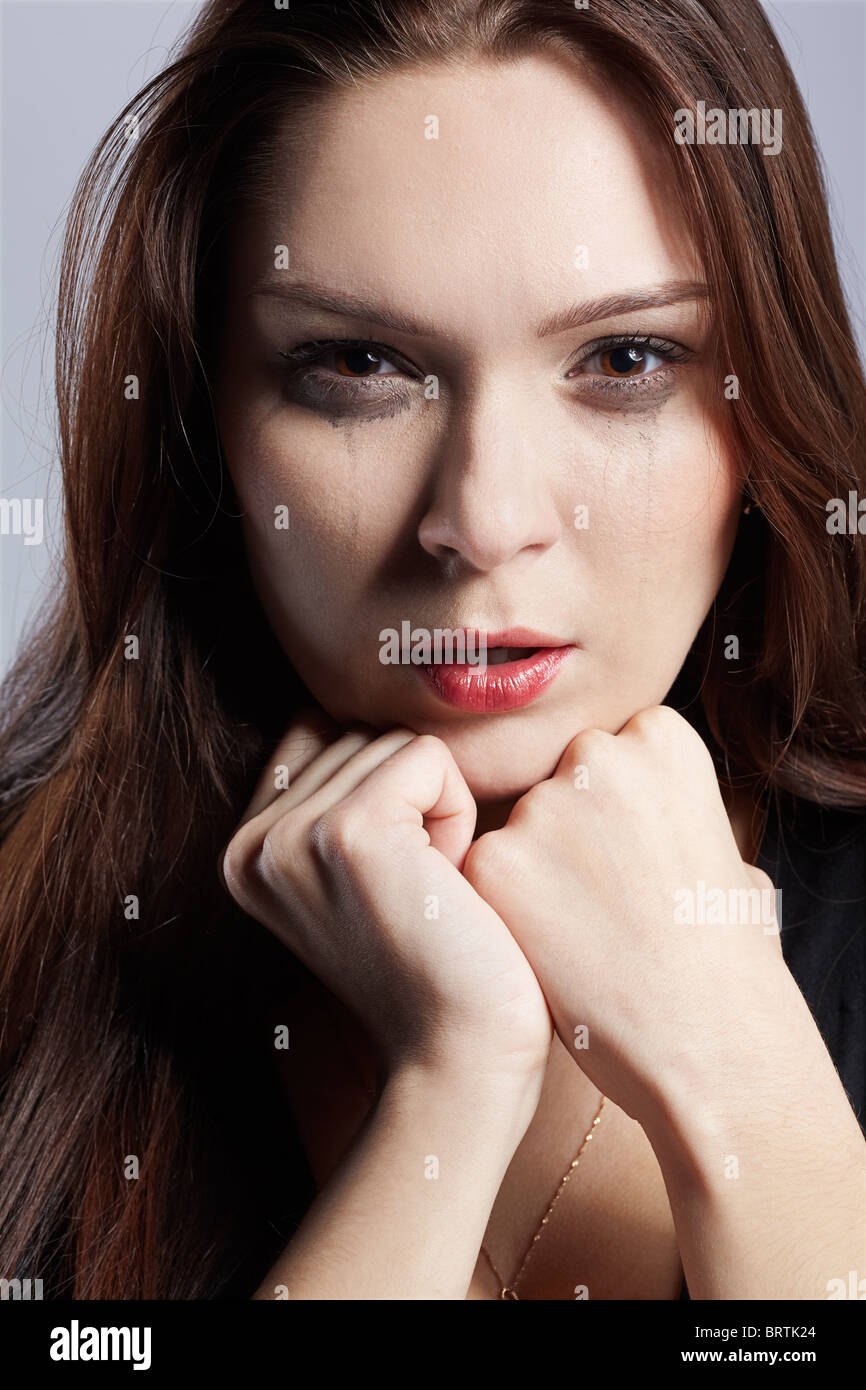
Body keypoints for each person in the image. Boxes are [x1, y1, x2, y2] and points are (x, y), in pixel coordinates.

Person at [0, 0, 864, 1301]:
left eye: (623, 358)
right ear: (204, 423)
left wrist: (742, 1084)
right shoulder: (36, 949)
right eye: (357, 365)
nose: (481, 518)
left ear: (760, 412)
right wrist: (444, 1091)